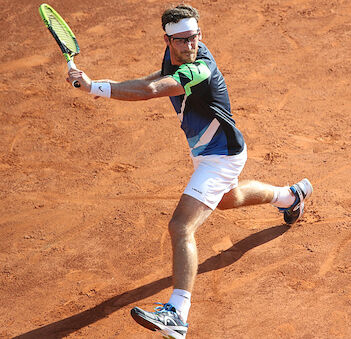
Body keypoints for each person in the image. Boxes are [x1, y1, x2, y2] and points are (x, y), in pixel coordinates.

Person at [66, 4, 312, 339]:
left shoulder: (199, 68)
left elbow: (152, 90)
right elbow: (152, 78)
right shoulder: (174, 56)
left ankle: (178, 313)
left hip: (220, 157)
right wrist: (95, 83)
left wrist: (96, 88)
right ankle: (289, 197)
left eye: (193, 38)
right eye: (181, 40)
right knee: (229, 198)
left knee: (181, 226)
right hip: (211, 153)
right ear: (167, 40)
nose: (189, 45)